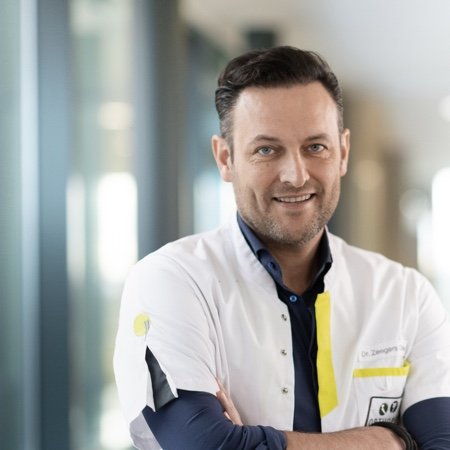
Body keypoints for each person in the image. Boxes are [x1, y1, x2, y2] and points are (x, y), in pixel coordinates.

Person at [113, 46, 450, 449]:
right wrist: (394, 441)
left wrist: (250, 441)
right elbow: (203, 445)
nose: (295, 175)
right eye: (266, 150)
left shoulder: (406, 295)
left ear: (343, 152)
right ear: (225, 158)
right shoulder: (172, 281)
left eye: (315, 147)